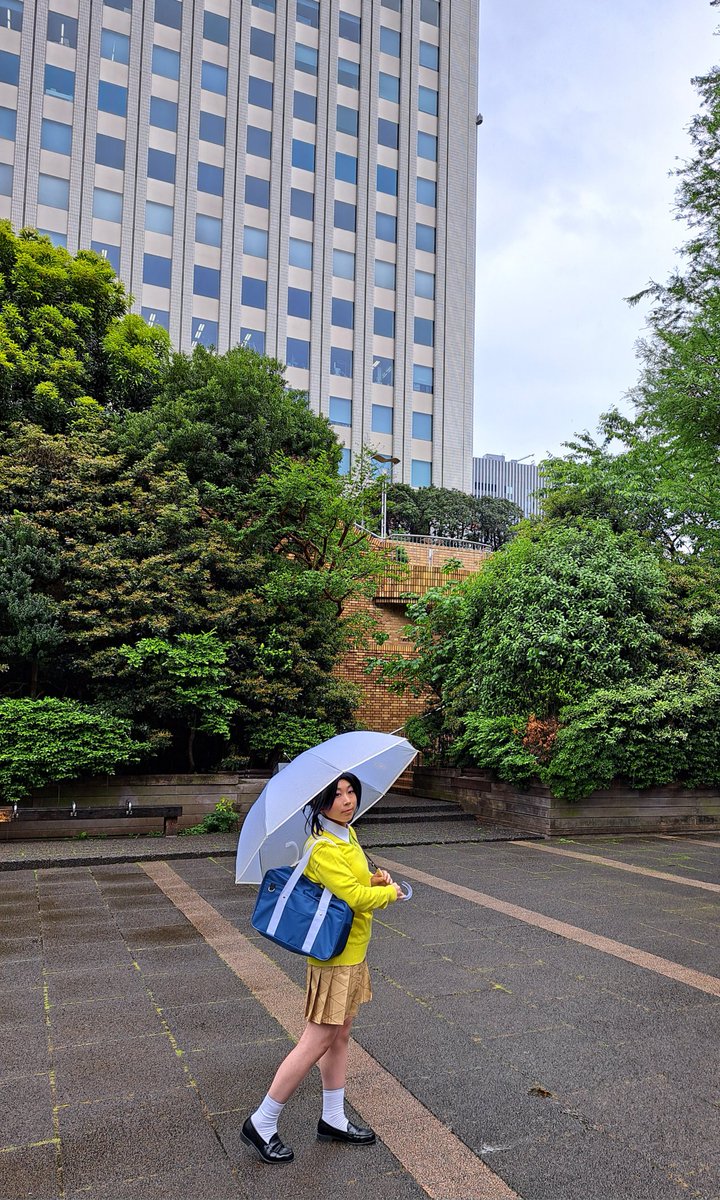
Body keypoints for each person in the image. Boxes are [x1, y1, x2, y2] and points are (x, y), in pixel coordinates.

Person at [241, 772, 403, 1164]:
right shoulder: (323, 848)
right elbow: (355, 897)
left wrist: (374, 878)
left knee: (340, 1035)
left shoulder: (348, 835)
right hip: (335, 958)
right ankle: (262, 1121)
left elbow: (354, 884)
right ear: (319, 803)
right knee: (316, 1040)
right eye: (336, 795)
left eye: (351, 792)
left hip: (352, 952)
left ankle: (332, 1117)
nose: (347, 800)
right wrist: (388, 892)